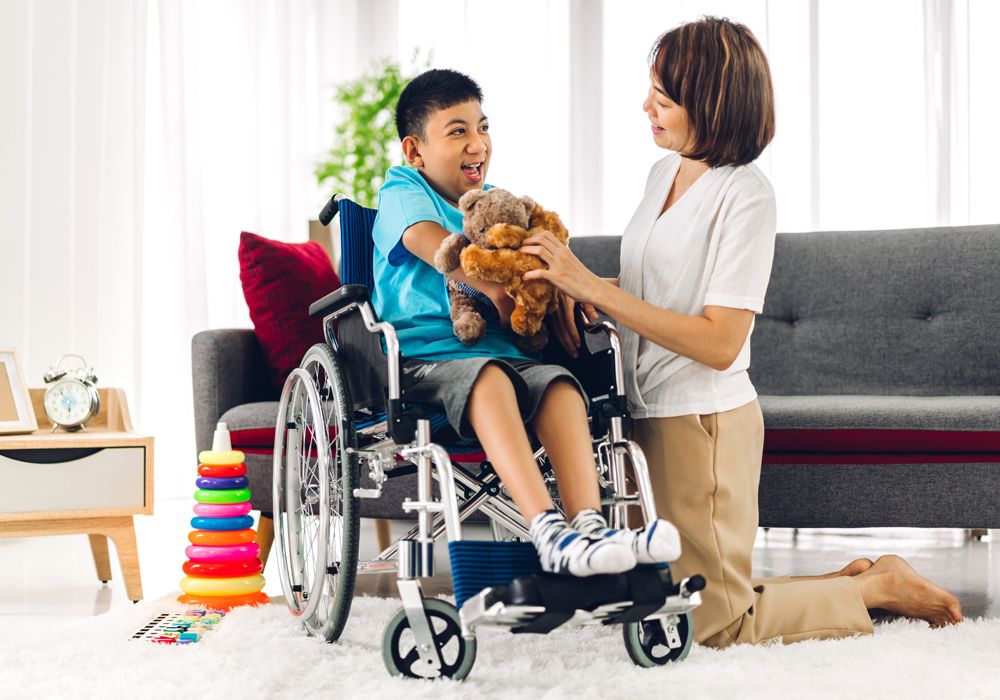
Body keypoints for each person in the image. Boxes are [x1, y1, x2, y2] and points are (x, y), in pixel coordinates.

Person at [520, 17, 963, 645]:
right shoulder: (663, 174)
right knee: (681, 599)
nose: (645, 106)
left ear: (712, 103)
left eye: (663, 97)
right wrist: (582, 292)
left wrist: (591, 286)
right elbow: (657, 289)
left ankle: (871, 590)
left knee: (711, 626)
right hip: (648, 409)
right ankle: (860, 580)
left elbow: (720, 340)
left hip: (704, 422)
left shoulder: (745, 194)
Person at [371, 68, 681, 577]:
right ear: (415, 150)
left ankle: (589, 529)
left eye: (483, 126)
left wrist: (560, 288)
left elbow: (539, 261)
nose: (478, 143)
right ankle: (549, 532)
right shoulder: (403, 190)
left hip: (509, 355)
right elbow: (428, 243)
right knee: (487, 377)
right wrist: (488, 282)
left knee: (560, 387)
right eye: (458, 131)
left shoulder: (494, 203)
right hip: (427, 360)